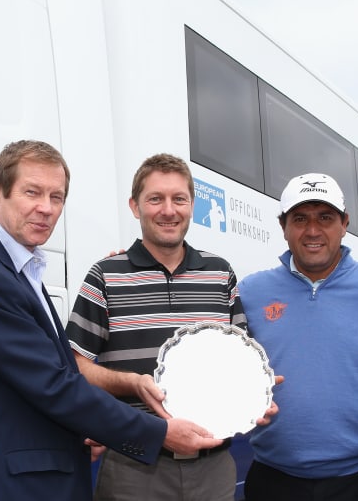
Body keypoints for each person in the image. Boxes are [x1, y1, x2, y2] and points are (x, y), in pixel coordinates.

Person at [0, 141, 222, 501]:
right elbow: (53, 385)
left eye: (57, 197)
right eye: (32, 192)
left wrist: (89, 426)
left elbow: (52, 377)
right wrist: (156, 432)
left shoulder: (17, 270)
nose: (46, 208)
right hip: (5, 483)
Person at [66, 153, 261, 501]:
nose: (168, 210)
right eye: (155, 199)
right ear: (135, 206)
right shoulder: (104, 276)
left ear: (192, 206)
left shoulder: (220, 274)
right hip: (133, 467)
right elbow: (74, 365)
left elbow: (240, 361)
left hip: (213, 469)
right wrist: (131, 384)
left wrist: (256, 394)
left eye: (179, 199)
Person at [237, 173, 358, 501]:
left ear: (344, 223)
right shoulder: (249, 293)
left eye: (325, 218)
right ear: (283, 226)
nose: (312, 231)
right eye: (300, 219)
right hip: (274, 479)